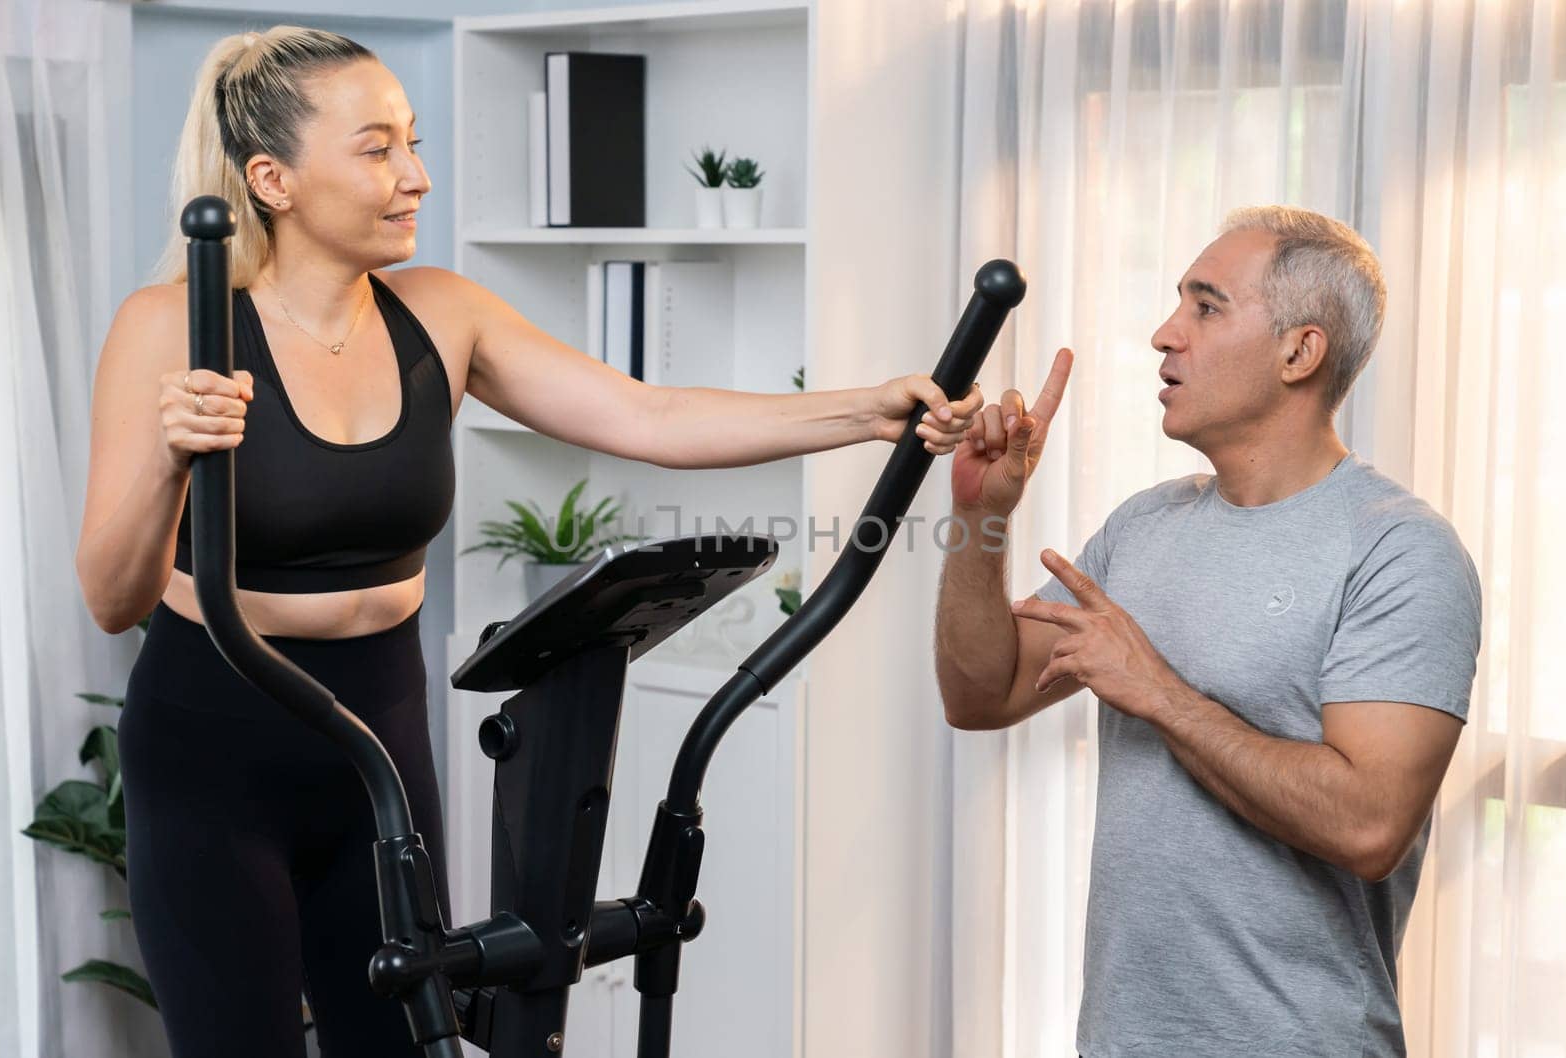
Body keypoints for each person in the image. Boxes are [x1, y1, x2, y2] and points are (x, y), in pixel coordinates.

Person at [74, 27, 982, 1058]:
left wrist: (868, 409)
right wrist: (167, 454)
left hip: (376, 725)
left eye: (412, 142)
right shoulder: (172, 324)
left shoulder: (442, 314)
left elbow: (654, 415)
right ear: (272, 179)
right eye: (376, 150)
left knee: (404, 1039)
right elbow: (111, 595)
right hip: (216, 739)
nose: (416, 174)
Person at [934, 206, 1481, 1056]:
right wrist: (979, 516)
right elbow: (980, 694)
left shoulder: (1399, 550)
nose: (1164, 334)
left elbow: (1371, 826)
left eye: (1206, 306)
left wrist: (1157, 693)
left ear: (1300, 352)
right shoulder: (1144, 528)